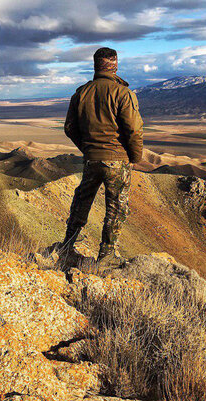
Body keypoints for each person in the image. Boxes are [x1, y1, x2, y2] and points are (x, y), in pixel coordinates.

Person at [57, 47, 143, 269]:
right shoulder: (123, 94)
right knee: (116, 206)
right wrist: (134, 156)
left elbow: (69, 128)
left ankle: (68, 245)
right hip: (117, 159)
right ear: (115, 65)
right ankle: (107, 255)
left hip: (91, 159)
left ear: (95, 66)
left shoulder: (81, 93)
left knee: (82, 201)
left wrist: (88, 148)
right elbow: (133, 129)